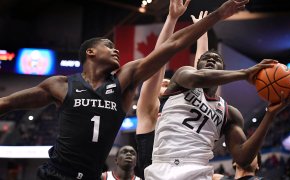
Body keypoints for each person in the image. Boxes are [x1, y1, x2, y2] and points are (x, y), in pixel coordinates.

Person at [0, 0, 249, 179]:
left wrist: (215, 15)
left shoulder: (123, 82)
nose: (116, 49)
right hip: (56, 172)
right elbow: (6, 103)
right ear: (91, 52)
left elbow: (168, 49)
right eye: (109, 45)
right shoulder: (59, 85)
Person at [144, 53, 290, 180]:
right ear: (197, 65)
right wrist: (245, 73)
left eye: (217, 59)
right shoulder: (182, 78)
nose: (211, 59)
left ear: (222, 69)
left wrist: (270, 115)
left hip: (197, 171)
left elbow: (243, 158)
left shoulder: (229, 113)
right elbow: (198, 78)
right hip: (162, 165)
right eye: (206, 58)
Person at [135, 2, 209, 178]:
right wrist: (172, 18)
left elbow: (201, 75)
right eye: (163, 82)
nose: (165, 82)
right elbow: (158, 61)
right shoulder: (149, 112)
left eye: (169, 82)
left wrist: (202, 32)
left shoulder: (185, 108)